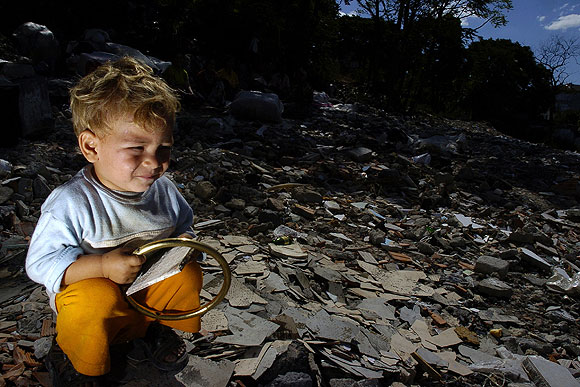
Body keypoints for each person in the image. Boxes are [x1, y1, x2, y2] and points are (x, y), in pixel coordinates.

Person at [25, 56, 203, 386]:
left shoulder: (163, 189)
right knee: (95, 300)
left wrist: (187, 246)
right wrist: (102, 266)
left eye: (163, 148)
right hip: (96, 305)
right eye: (137, 148)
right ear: (91, 146)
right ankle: (75, 357)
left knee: (188, 274)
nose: (154, 162)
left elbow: (183, 226)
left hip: (143, 294)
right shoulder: (71, 202)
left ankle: (153, 329)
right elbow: (40, 264)